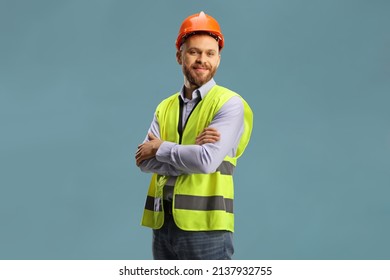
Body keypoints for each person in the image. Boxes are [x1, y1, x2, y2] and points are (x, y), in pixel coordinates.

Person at [135, 11, 253, 260]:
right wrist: (189, 155)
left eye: (210, 53)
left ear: (218, 59)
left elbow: (206, 162)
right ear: (179, 56)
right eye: (194, 52)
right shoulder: (165, 106)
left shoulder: (229, 104)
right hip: (163, 223)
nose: (202, 59)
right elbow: (143, 161)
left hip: (207, 226)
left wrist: (161, 148)